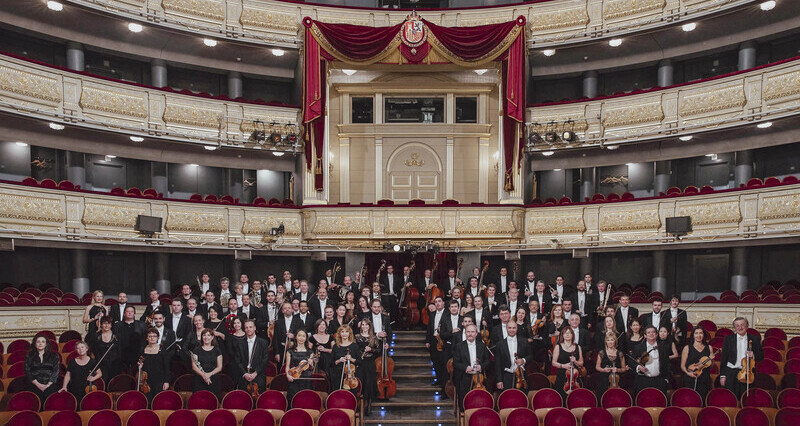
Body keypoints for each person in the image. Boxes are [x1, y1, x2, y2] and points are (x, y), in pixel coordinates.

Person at [719, 317, 764, 398]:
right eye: (737, 326)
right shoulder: (728, 339)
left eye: (742, 325)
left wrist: (753, 355)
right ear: (735, 328)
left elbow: (761, 357)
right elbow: (724, 359)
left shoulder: (755, 339)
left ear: (747, 326)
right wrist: (722, 375)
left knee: (746, 398)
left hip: (747, 373)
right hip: (731, 373)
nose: (740, 328)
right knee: (731, 398)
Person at [452, 324, 490, 411]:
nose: (470, 334)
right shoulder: (459, 346)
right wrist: (465, 367)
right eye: (468, 332)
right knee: (464, 402)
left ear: (476, 334)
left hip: (479, 378)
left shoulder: (482, 346)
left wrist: (481, 366)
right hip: (465, 378)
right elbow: (455, 363)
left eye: (472, 332)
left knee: (479, 401)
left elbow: (488, 362)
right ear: (465, 333)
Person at [631, 326, 671, 396]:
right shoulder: (638, 347)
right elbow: (631, 362)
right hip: (643, 381)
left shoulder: (663, 347)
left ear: (656, 334)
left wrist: (665, 380)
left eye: (653, 332)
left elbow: (667, 364)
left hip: (659, 381)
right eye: (648, 332)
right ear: (645, 336)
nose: (651, 334)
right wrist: (638, 367)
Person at [495, 322, 531, 392]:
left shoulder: (524, 341)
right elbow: (497, 364)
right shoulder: (500, 344)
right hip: (506, 376)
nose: (512, 330)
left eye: (514, 328)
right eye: (510, 328)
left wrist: (523, 360)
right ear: (506, 329)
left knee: (522, 398)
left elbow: (531, 355)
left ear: (517, 328)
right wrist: (499, 380)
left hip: (521, 375)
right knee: (507, 398)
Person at [25, 333, 60, 404]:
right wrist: (38, 385)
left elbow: (55, 371)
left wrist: (48, 385)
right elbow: (28, 371)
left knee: (50, 401)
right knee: (35, 401)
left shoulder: (54, 356)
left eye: (43, 342)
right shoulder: (29, 356)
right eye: (38, 342)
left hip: (50, 384)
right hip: (35, 384)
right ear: (35, 344)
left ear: (46, 344)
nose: (40, 344)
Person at [235, 320, 269, 392]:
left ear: (255, 328)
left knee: (258, 401)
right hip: (244, 375)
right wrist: (244, 374)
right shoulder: (240, 343)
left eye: (250, 327)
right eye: (246, 327)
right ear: (244, 329)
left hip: (258, 375)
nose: (248, 329)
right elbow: (237, 361)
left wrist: (255, 373)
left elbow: (265, 360)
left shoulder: (263, 342)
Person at [681, 326, 712, 400]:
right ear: (693, 335)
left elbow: (711, 365)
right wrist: (688, 373)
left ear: (704, 335)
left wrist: (711, 360)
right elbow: (682, 365)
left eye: (701, 333)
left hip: (704, 379)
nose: (698, 335)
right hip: (690, 378)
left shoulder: (709, 348)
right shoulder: (687, 348)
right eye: (696, 333)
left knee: (703, 400)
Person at [287, 329, 316, 408]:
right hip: (294, 378)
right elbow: (287, 366)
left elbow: (312, 368)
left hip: (306, 379)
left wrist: (310, 364)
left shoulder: (310, 352)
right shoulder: (290, 351)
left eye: (303, 336)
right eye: (299, 335)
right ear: (296, 337)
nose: (301, 338)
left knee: (306, 402)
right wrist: (288, 375)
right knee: (293, 402)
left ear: (306, 338)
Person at [552, 327, 584, 399]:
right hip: (562, 377)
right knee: (562, 397)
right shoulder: (558, 346)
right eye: (565, 333)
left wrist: (575, 361)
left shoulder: (577, 347)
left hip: (575, 377)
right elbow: (553, 363)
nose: (567, 334)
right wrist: (563, 366)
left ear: (572, 335)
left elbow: (581, 363)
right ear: (562, 335)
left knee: (575, 398)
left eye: (569, 333)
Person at [191, 328, 223, 399]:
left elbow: (219, 367)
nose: (206, 337)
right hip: (199, 379)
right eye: (204, 335)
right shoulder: (196, 350)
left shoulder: (217, 350)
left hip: (213, 379)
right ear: (202, 337)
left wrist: (209, 374)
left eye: (208, 335)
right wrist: (203, 375)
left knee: (213, 401)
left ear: (212, 337)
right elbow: (194, 366)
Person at [139, 328, 170, 402]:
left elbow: (167, 367)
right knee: (147, 400)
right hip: (146, 381)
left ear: (158, 338)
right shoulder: (143, 349)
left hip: (159, 380)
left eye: (154, 336)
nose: (152, 338)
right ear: (147, 338)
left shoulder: (162, 350)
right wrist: (140, 366)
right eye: (150, 336)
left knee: (158, 401)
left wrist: (166, 381)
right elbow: (141, 363)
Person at [356, 319, 379, 414]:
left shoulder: (373, 337)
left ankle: (368, 403)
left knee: (369, 382)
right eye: (363, 325)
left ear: (369, 326)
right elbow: (354, 349)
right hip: (361, 363)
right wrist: (361, 350)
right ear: (360, 326)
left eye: (366, 325)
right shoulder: (356, 337)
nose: (364, 326)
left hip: (370, 363)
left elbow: (378, 351)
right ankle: (361, 404)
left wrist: (371, 349)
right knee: (362, 382)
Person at [114, 305, 146, 375]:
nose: (130, 313)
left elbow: (144, 340)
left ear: (134, 314)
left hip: (137, 355)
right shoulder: (117, 325)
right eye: (128, 311)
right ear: (124, 313)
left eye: (132, 311)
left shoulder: (141, 324)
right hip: (122, 355)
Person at [594, 332, 628, 399]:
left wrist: (617, 369)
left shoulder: (620, 353)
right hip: (604, 379)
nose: (610, 342)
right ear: (606, 342)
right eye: (608, 340)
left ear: (615, 341)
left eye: (612, 340)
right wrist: (604, 370)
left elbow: (623, 369)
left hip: (617, 380)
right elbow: (597, 367)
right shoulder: (602, 353)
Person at [88, 316, 121, 382]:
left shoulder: (116, 336)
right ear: (101, 325)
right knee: (103, 382)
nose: (107, 325)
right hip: (101, 364)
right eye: (104, 323)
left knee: (113, 383)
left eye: (109, 323)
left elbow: (119, 351)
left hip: (115, 364)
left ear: (111, 325)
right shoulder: (96, 336)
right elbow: (94, 350)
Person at [331, 325, 362, 391]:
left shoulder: (354, 346)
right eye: (342, 332)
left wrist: (351, 359)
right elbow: (331, 363)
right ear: (339, 333)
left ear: (349, 333)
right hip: (338, 375)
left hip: (351, 376)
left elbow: (360, 362)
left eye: (346, 332)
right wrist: (339, 360)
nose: (344, 334)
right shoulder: (336, 346)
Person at [426, 297, 447, 390]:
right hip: (434, 340)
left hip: (443, 340)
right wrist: (427, 340)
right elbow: (429, 328)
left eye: (439, 301)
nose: (437, 303)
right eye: (436, 302)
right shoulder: (432, 314)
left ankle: (444, 384)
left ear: (443, 303)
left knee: (443, 362)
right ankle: (438, 379)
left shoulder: (447, 314)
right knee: (435, 361)